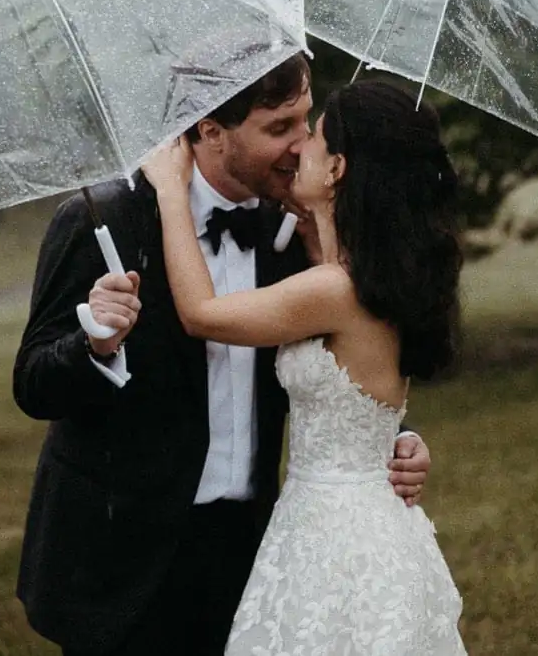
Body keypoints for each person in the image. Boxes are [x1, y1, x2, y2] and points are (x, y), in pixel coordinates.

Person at [13, 55, 434, 654]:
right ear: (210, 130)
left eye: (304, 121)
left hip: (252, 553)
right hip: (123, 557)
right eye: (278, 127)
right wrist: (94, 345)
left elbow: (340, 357)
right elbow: (32, 382)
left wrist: (393, 437)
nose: (298, 145)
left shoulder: (295, 231)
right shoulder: (105, 220)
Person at [143, 76, 467, 654]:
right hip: (360, 521)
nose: (298, 148)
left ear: (338, 168)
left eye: (312, 136)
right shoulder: (381, 272)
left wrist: (171, 192)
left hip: (333, 534)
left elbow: (200, 313)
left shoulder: (334, 290)